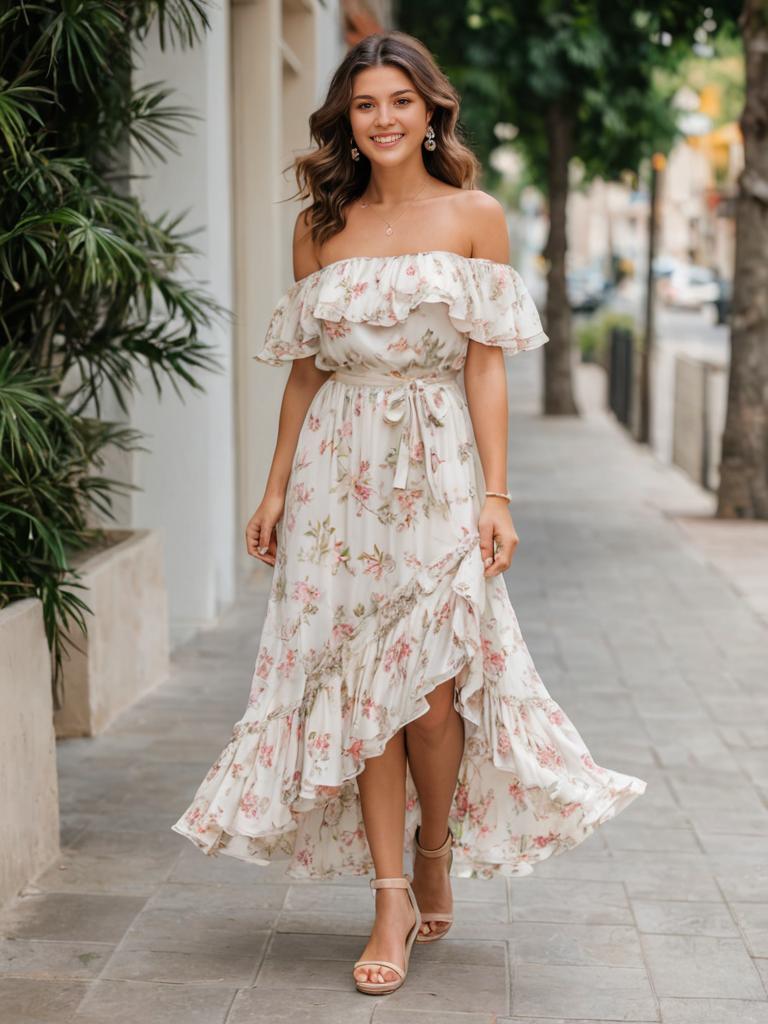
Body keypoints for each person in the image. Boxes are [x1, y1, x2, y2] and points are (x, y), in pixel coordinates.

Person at [171, 29, 647, 998]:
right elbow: (306, 374)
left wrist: (497, 495)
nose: (383, 119)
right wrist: (272, 489)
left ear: (432, 111)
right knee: (361, 694)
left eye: (399, 101)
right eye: (363, 104)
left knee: (432, 696)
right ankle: (390, 892)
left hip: (435, 467)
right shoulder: (321, 226)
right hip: (335, 478)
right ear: (346, 120)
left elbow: (485, 365)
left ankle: (437, 845)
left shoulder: (475, 216)